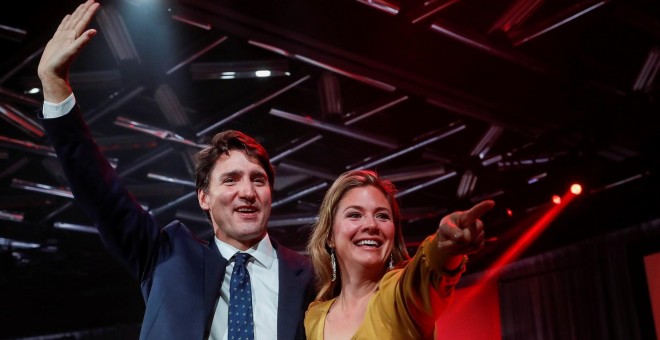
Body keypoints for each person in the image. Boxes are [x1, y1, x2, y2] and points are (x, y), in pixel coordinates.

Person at [37, 1, 314, 339]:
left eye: (258, 179)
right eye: (230, 179)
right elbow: (99, 192)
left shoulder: (312, 276)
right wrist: (54, 87)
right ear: (204, 198)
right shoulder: (166, 256)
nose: (247, 191)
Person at [305, 170, 494, 340]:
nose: (371, 225)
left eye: (383, 216)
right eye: (355, 215)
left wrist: (445, 246)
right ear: (330, 236)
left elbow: (428, 272)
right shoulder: (313, 318)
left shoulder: (401, 298)